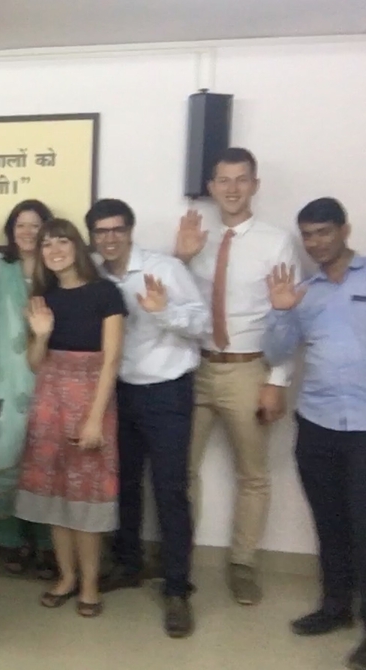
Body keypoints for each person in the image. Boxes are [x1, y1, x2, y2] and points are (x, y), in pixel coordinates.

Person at [176, 147, 302, 605]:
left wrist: (278, 379)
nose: (231, 189)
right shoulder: (197, 240)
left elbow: (286, 314)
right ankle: (178, 558)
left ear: (254, 185)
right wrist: (181, 259)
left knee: (253, 474)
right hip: (196, 367)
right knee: (180, 470)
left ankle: (243, 563)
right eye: (223, 180)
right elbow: (178, 303)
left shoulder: (276, 242)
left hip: (250, 368)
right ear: (211, 187)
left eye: (241, 179)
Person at [88, 199, 207, 638]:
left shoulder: (165, 269)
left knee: (171, 490)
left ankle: (177, 589)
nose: (110, 238)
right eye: (101, 232)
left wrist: (163, 311)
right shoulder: (96, 279)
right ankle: (129, 563)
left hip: (168, 392)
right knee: (125, 485)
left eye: (117, 229)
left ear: (130, 230)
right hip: (121, 392)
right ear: (94, 238)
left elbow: (200, 324)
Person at [262, 197, 366, 670]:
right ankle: (335, 608)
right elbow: (277, 351)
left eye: (323, 232)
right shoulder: (303, 292)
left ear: (345, 230)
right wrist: (282, 312)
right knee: (331, 524)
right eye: (307, 234)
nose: (315, 242)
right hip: (319, 424)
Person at [17, 218, 126, 617]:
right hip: (49, 401)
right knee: (56, 496)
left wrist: (95, 418)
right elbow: (33, 363)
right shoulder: (43, 296)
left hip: (91, 402)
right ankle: (65, 577)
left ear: (76, 246)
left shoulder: (105, 293)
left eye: (61, 241)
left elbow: (112, 359)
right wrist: (42, 334)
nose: (54, 249)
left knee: (86, 497)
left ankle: (91, 584)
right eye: (46, 244)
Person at [0, 199, 56, 577]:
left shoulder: (58, 269)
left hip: (48, 375)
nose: (28, 233)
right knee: (5, 448)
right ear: (11, 232)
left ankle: (45, 543)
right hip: (6, 378)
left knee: (45, 454)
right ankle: (8, 540)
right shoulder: (0, 270)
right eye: (21, 226)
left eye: (35, 226)